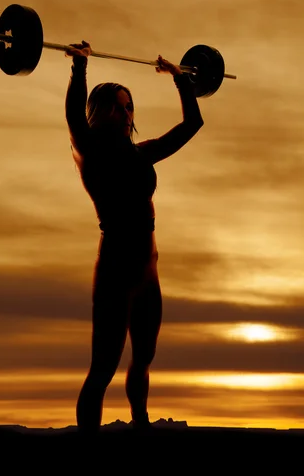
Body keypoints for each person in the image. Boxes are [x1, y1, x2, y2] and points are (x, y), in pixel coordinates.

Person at [65, 40, 204, 433]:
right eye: (115, 106)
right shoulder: (87, 150)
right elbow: (74, 115)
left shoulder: (142, 153)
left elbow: (192, 125)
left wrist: (181, 80)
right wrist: (79, 67)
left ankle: (140, 425)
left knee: (144, 357)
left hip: (149, 272)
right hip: (114, 271)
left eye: (128, 106)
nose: (124, 113)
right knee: (103, 368)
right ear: (98, 112)